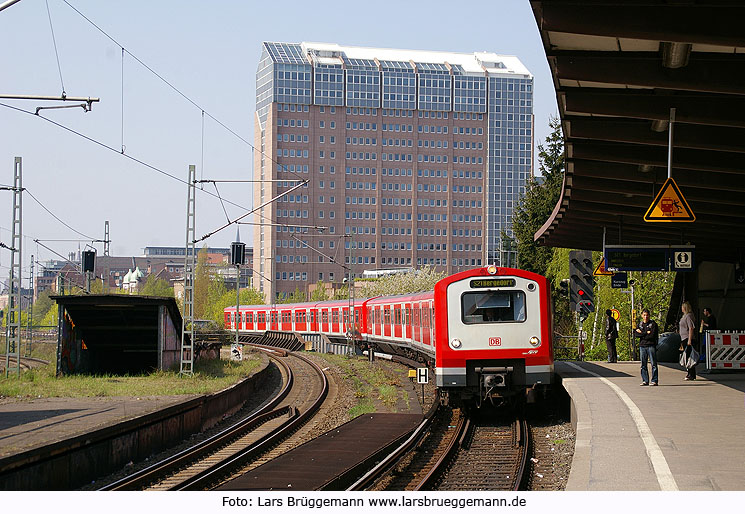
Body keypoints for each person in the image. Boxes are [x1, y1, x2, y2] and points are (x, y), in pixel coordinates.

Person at [635, 308, 659, 386]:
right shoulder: (640, 324)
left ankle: (654, 380)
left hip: (651, 345)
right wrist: (646, 333)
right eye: (644, 315)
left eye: (647, 315)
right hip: (642, 346)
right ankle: (645, 380)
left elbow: (652, 335)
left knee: (653, 364)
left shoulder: (653, 324)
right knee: (643, 364)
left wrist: (642, 333)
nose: (646, 317)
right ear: (642, 316)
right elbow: (636, 334)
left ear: (649, 315)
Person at [679, 301, 697, 380]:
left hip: (687, 338)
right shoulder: (684, 316)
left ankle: (691, 374)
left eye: (683, 307)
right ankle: (690, 373)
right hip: (683, 338)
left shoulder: (688, 316)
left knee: (689, 356)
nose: (681, 308)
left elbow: (691, 328)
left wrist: (689, 340)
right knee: (687, 356)